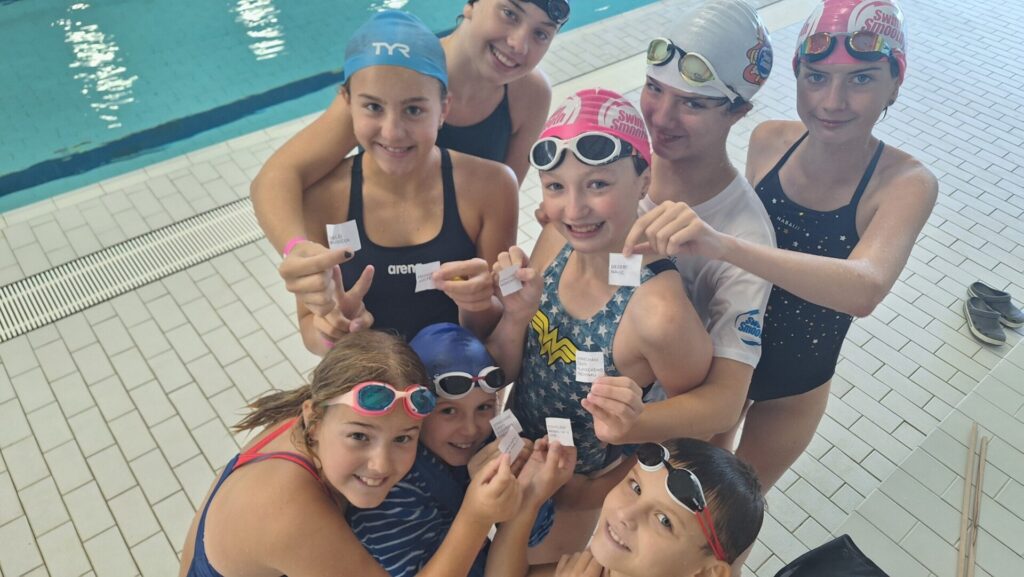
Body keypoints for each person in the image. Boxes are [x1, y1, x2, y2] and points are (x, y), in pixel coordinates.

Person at [630, 0, 937, 493]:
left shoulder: (905, 183)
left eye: (861, 79)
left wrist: (723, 246)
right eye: (816, 77)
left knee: (733, 511)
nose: (832, 101)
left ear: (895, 82)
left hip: (794, 382)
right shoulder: (770, 140)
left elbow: (865, 288)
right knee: (685, 492)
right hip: (723, 359)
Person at [486, 88, 712, 558]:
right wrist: (512, 315)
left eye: (597, 185)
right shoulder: (556, 240)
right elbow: (515, 365)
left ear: (644, 180)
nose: (574, 210)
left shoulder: (659, 312)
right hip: (514, 448)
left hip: (576, 492)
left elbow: (691, 426)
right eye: (556, 187)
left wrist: (604, 488)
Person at [254, 0, 569, 333]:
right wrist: (298, 251)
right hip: (380, 238)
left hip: (455, 249)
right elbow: (277, 177)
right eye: (509, 13)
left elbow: (502, 199)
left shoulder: (529, 95)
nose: (519, 44)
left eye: (541, 33)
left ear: (443, 108)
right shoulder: (393, 73)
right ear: (471, 4)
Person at [574, 0, 778, 448]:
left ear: (737, 112)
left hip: (638, 435)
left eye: (693, 103)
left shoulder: (743, 234)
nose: (661, 117)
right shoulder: (617, 165)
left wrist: (632, 424)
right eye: (654, 87)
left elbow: (726, 403)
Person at [178, 330, 524, 577]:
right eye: (359, 436)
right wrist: (475, 516)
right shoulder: (284, 508)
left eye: (403, 438)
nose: (381, 464)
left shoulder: (311, 418)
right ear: (314, 419)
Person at [293, 10, 519, 351]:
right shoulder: (321, 199)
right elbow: (311, 331)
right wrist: (333, 329)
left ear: (443, 109)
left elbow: (495, 329)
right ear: (347, 102)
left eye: (414, 110)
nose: (393, 132)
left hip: (460, 382)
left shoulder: (492, 187)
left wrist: (480, 305)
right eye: (373, 107)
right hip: (370, 383)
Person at [349, 323, 555, 577]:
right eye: (448, 411)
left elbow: (536, 535)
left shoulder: (487, 443)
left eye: (483, 408)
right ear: (415, 412)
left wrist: (529, 487)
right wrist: (475, 501)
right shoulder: (390, 487)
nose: (470, 429)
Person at [485, 438, 765, 577]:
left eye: (664, 520)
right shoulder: (603, 568)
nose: (626, 515)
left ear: (706, 573)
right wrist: (531, 497)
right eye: (636, 487)